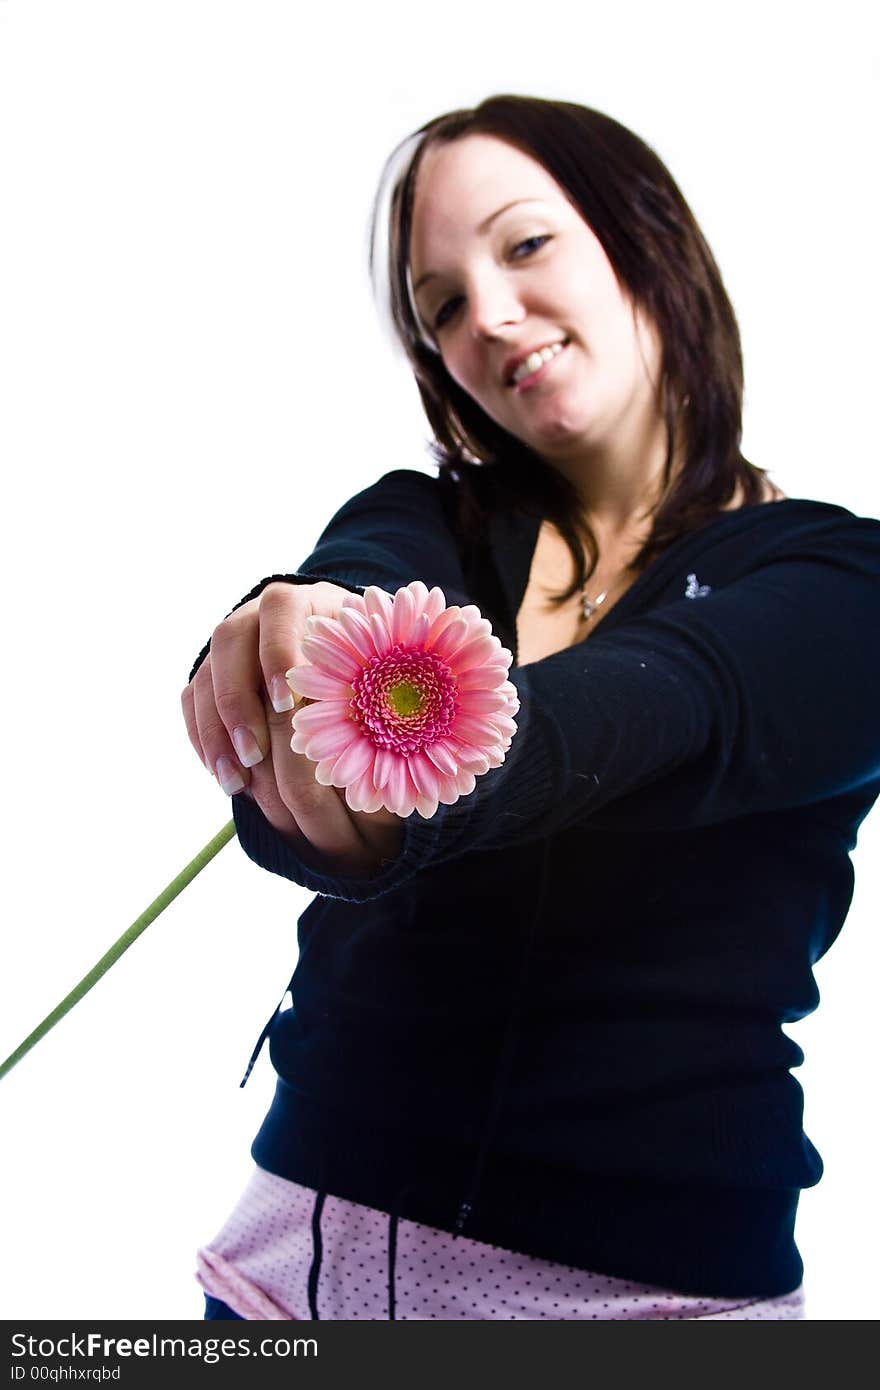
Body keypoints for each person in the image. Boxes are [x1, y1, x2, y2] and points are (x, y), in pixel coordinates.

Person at [181, 95, 880, 1321]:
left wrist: (400, 763)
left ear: (643, 239)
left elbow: (650, 710)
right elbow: (352, 588)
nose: (487, 315)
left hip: (647, 1299)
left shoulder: (840, 583)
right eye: (441, 303)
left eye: (524, 245)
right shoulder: (425, 517)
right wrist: (291, 651)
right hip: (298, 1273)